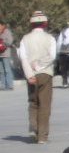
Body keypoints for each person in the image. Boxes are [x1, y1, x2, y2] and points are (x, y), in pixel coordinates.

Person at [18, 11, 57, 144]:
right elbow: (52, 56)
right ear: (45, 23)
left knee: (33, 102)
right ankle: (42, 136)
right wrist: (39, 66)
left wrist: (30, 74)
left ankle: (33, 128)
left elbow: (23, 58)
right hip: (45, 73)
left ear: (31, 24)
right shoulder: (50, 38)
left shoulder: (25, 39)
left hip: (30, 75)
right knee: (44, 105)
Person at [0, 18, 14, 91]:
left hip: (6, 54)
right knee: (1, 71)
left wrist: (3, 42)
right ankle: (3, 85)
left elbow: (10, 41)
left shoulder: (7, 32)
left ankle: (10, 85)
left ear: (2, 25)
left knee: (7, 70)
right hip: (0, 55)